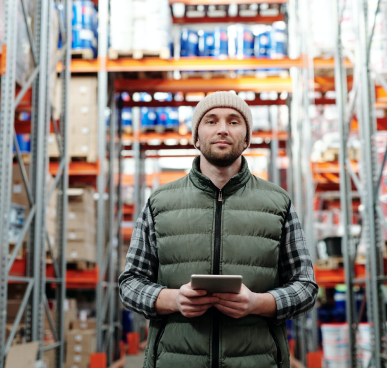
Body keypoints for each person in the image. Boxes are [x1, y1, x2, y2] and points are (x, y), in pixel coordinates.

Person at [119, 91, 318, 368]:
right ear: (196, 137)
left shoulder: (278, 203)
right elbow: (129, 284)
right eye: (211, 121)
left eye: (234, 122)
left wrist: (258, 303)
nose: (223, 129)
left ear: (246, 138)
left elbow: (306, 286)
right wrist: (174, 299)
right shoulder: (159, 203)